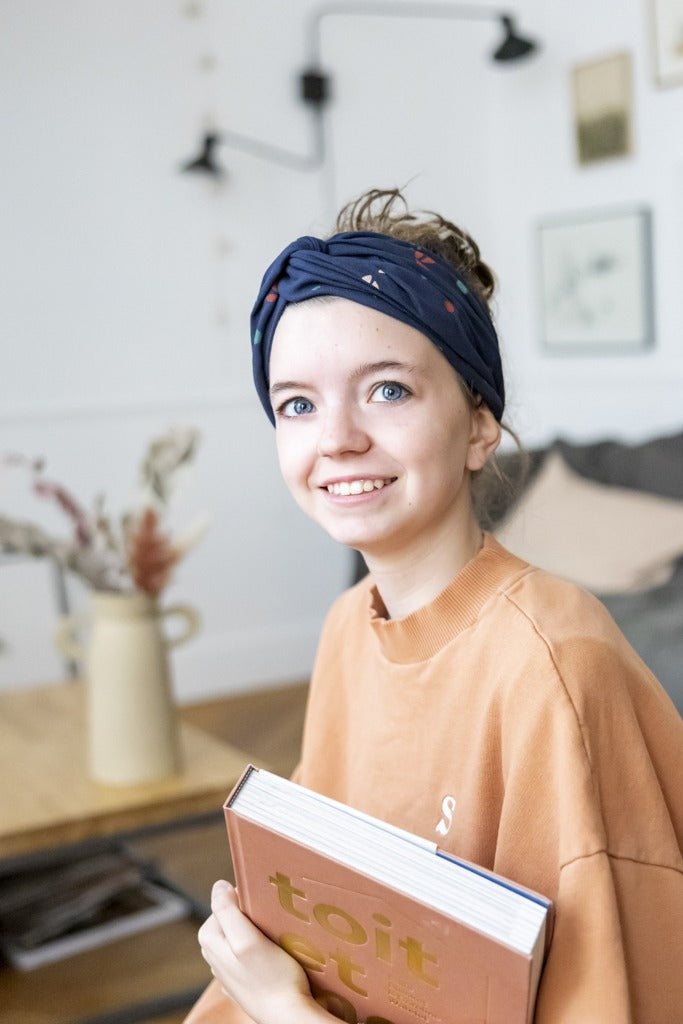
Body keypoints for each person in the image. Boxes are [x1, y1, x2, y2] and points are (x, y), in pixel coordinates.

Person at [186, 189, 683, 1024]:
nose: (336, 438)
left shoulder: (555, 665)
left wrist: (281, 1009)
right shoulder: (350, 624)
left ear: (480, 426)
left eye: (386, 390)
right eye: (298, 404)